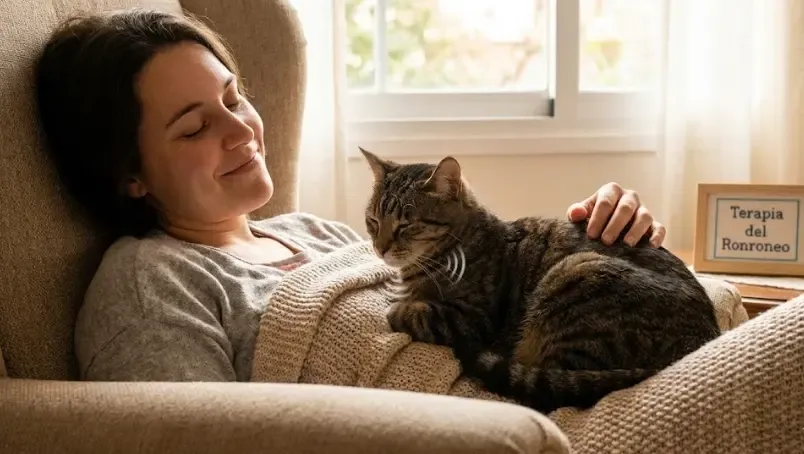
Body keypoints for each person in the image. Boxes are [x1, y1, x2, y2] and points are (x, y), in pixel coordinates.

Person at [34, 9, 667, 382]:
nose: (242, 131)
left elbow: (490, 301)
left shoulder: (316, 233)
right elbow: (185, 435)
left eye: (234, 98)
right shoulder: (151, 281)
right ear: (131, 175)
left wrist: (609, 245)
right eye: (195, 127)